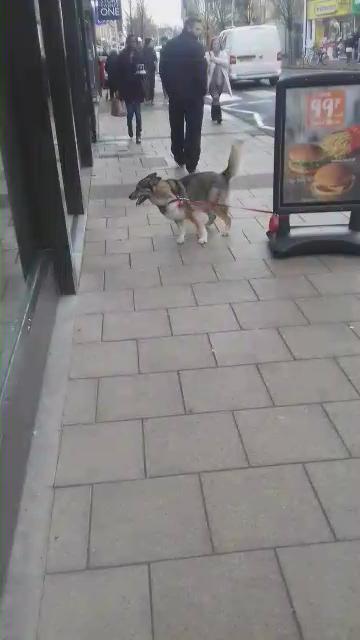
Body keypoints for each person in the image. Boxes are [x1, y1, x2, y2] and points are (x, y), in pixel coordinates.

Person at [160, 16, 207, 173]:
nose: (200, 32)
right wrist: (202, 91)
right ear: (189, 28)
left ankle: (178, 155)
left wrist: (169, 90)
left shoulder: (169, 46)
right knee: (194, 130)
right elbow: (202, 74)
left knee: (177, 126)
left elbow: (163, 70)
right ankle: (191, 162)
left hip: (176, 96)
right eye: (198, 29)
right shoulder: (198, 48)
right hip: (194, 97)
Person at [116, 34, 146, 144]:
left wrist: (142, 74)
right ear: (128, 43)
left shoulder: (139, 55)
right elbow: (118, 73)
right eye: (131, 42)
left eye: (135, 42)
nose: (133, 44)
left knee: (138, 114)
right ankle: (130, 127)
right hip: (127, 88)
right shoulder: (122, 56)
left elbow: (143, 69)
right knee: (129, 113)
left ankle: (138, 134)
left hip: (137, 87)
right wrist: (119, 88)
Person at [206, 37, 232, 124]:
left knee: (216, 98)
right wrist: (210, 62)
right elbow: (207, 67)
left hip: (221, 79)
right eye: (214, 44)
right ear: (212, 45)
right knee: (216, 97)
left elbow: (226, 64)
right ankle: (219, 117)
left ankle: (213, 115)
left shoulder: (223, 54)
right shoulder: (208, 54)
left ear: (220, 45)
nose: (216, 45)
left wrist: (215, 60)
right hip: (212, 80)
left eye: (217, 44)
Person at [143, 37, 157, 104]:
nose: (152, 43)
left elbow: (155, 60)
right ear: (148, 43)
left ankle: (149, 99)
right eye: (151, 42)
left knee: (149, 85)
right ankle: (149, 99)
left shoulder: (150, 50)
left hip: (149, 69)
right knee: (149, 85)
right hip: (148, 69)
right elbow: (155, 60)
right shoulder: (149, 50)